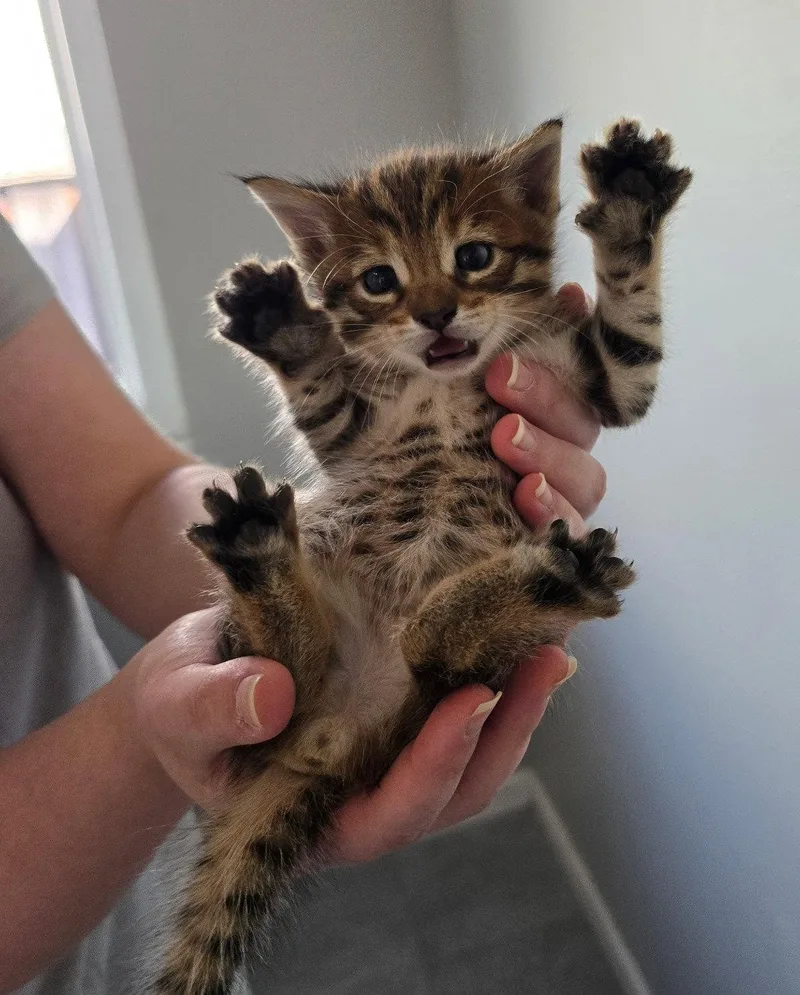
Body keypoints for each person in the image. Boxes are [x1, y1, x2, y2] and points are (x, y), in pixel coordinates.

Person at [0, 213, 607, 993]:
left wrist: (370, 489)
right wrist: (149, 729)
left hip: (134, 893)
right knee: (429, 647)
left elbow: (128, 499)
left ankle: (279, 574)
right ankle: (304, 579)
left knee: (370, 641)